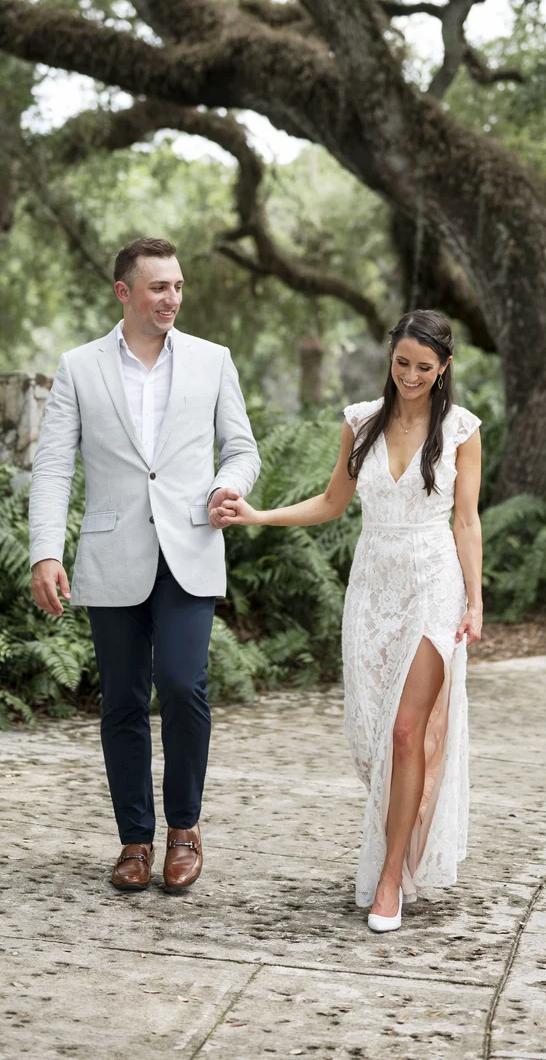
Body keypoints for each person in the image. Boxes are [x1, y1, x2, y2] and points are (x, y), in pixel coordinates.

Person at [218, 309, 482, 932]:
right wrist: (257, 516)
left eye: (424, 367)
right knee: (370, 735)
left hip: (432, 584)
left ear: (443, 368)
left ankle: (391, 878)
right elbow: (333, 503)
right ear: (389, 358)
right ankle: (398, 841)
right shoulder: (359, 423)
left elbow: (466, 521)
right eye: (402, 363)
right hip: (371, 587)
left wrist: (474, 601)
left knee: (404, 732)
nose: (411, 376)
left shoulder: (462, 431)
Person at [29, 237, 260, 893]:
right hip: (112, 551)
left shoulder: (213, 361)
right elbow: (53, 465)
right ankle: (136, 840)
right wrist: (46, 550)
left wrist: (227, 484)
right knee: (123, 700)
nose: (173, 298)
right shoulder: (79, 367)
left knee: (185, 685)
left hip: (189, 547)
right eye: (159, 287)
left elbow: (241, 447)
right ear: (124, 292)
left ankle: (185, 827)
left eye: (179, 286)